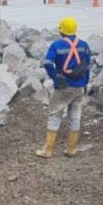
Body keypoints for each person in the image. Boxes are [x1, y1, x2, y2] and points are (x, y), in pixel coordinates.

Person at [36, 16, 92, 159]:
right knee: (75, 117)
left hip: (63, 87)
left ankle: (48, 150)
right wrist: (85, 83)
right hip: (79, 86)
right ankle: (71, 149)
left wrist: (55, 77)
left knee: (55, 116)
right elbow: (87, 67)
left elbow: (47, 63)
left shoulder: (56, 45)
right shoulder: (84, 45)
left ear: (61, 30)